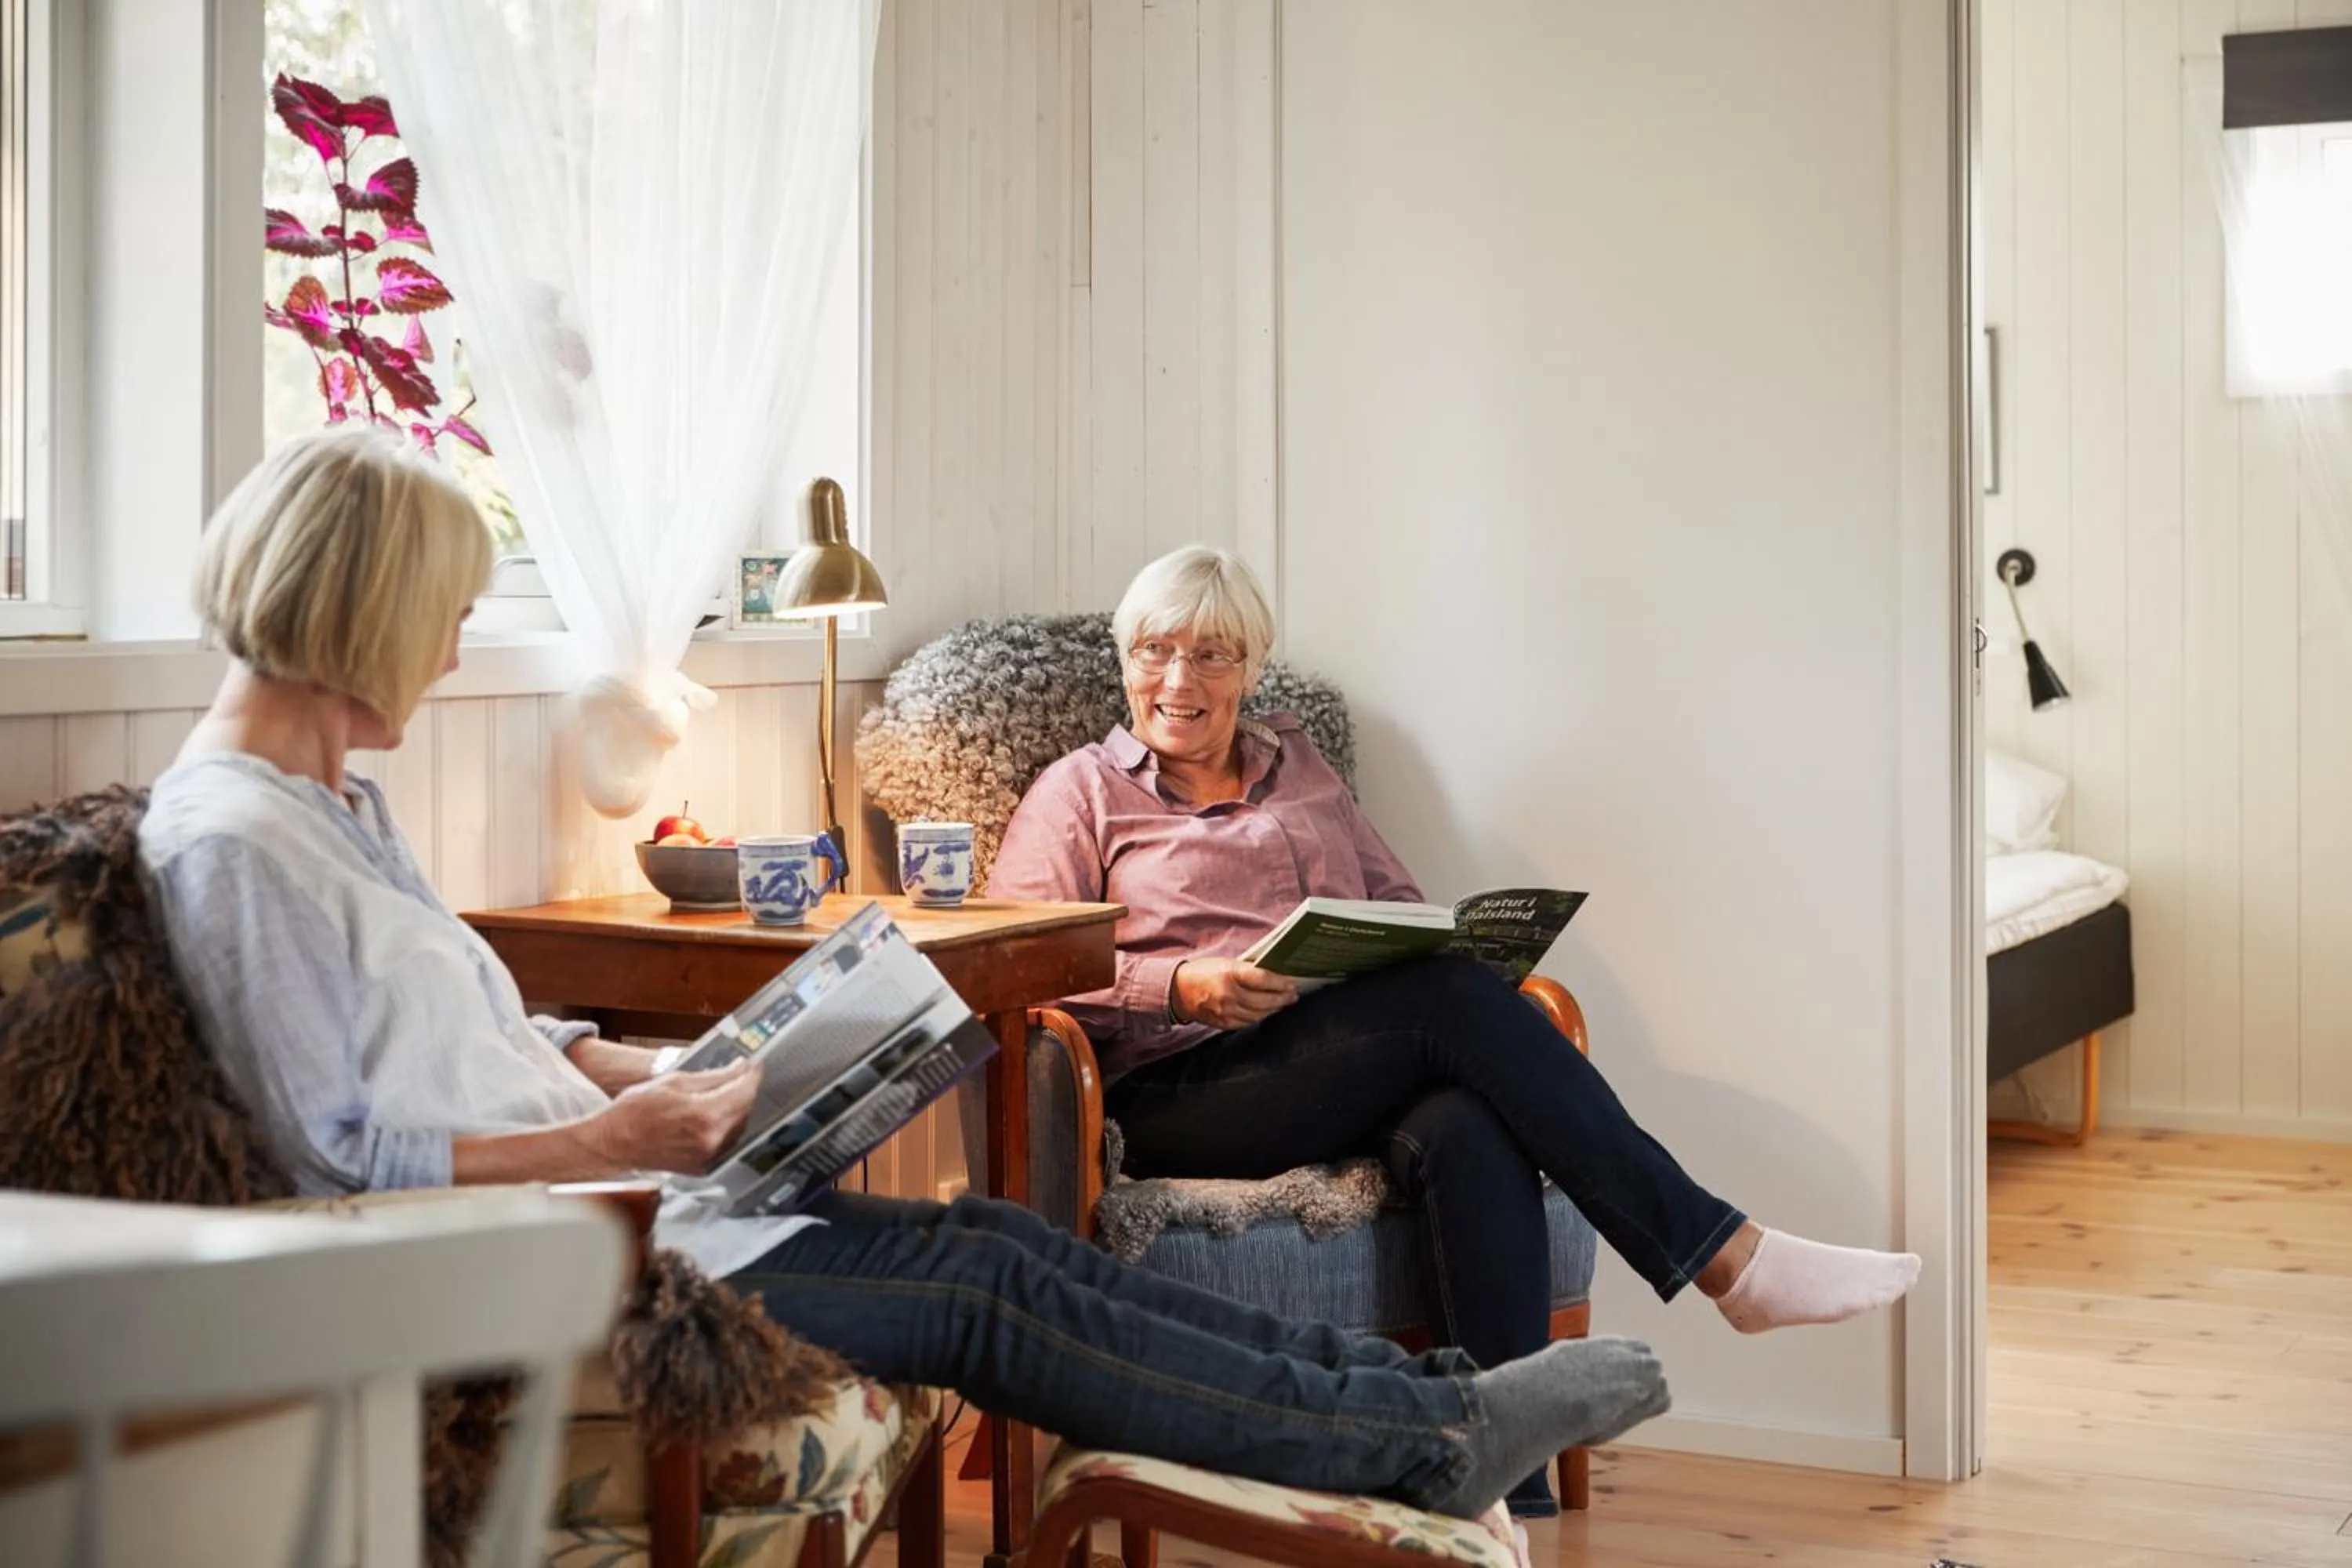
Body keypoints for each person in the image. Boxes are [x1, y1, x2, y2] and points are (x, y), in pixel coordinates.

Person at [136, 430, 1670, 1524]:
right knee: (991, 1286)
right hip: (567, 1251)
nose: (460, 644)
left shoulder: (335, 808)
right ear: (361, 607)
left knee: (1003, 1238)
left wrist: (629, 1069)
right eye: (447, 610)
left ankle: (1433, 1419)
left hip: (641, 1195)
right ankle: (1426, 1438)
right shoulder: (233, 843)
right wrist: (614, 1141)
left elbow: (458, 1027)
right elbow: (328, 1159)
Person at [987, 544, 1923, 1517]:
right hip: (1181, 1092)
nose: (1178, 680)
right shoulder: (1082, 792)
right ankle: (1725, 1255)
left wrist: (1450, 942)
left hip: (1339, 1065)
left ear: (1253, 668)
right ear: (1125, 658)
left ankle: (1492, 1494)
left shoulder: (1299, 768)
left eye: (1212, 655)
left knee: (1465, 1124)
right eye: (1155, 650)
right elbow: (1020, 971)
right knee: (1452, 1006)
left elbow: (1397, 902)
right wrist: (1179, 984)